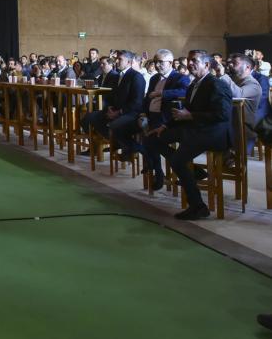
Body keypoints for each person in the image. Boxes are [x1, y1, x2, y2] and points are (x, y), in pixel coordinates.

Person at [145, 50, 233, 220]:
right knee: (151, 138)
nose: (190, 63)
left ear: (207, 65)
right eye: (189, 60)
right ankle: (195, 171)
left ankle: (198, 206)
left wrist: (191, 116)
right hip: (195, 128)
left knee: (177, 161)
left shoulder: (216, 84)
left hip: (213, 133)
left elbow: (223, 114)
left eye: (195, 61)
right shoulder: (194, 84)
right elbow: (186, 111)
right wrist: (164, 126)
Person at [138, 49, 190, 189]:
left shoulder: (179, 77)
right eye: (156, 62)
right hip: (150, 115)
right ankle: (151, 164)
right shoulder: (155, 78)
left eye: (161, 62)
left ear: (171, 63)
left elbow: (185, 91)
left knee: (149, 140)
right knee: (133, 130)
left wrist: (162, 93)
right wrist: (143, 113)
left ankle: (158, 172)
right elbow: (147, 97)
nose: (157, 65)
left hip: (165, 118)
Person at [79, 50, 145, 156]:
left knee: (114, 126)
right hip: (115, 109)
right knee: (90, 118)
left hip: (130, 112)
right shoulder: (119, 76)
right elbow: (113, 96)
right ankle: (117, 143)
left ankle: (137, 148)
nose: (117, 62)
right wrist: (110, 107)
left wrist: (119, 112)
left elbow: (137, 102)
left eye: (120, 59)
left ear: (129, 62)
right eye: (117, 59)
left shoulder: (136, 76)